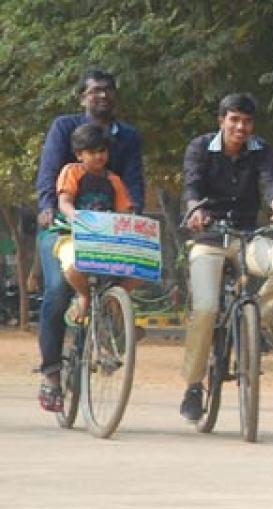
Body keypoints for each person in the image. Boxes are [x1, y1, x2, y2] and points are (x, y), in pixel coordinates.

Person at [178, 93, 273, 422]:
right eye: (234, 120)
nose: (240, 127)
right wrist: (195, 211)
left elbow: (271, 184)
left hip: (247, 236)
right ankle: (193, 385)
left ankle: (253, 318)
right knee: (205, 309)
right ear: (221, 121)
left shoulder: (262, 151)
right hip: (209, 237)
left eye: (246, 121)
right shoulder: (200, 148)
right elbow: (191, 185)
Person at [33, 68, 144, 412]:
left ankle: (111, 331)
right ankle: (51, 372)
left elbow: (134, 185)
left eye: (109, 90)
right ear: (82, 97)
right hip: (64, 227)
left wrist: (135, 219)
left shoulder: (128, 138)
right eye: (95, 90)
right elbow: (49, 176)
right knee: (56, 289)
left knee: (131, 274)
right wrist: (50, 209)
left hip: (109, 228)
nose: (103, 96)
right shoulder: (64, 128)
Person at [53, 123, 138, 326]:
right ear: (79, 154)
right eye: (92, 152)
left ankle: (116, 304)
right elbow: (64, 202)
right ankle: (84, 296)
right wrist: (74, 216)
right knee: (73, 267)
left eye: (102, 151)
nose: (99, 156)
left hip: (107, 241)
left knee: (142, 269)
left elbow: (124, 212)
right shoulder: (71, 171)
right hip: (72, 237)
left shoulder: (114, 180)